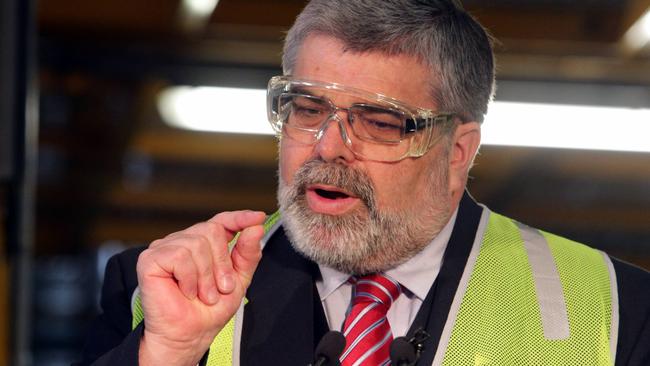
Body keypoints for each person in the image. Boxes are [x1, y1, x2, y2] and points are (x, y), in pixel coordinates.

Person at [76, 0, 650, 365]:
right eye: (306, 109)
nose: (326, 147)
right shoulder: (156, 293)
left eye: (378, 122)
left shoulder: (620, 312)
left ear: (457, 153)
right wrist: (168, 354)